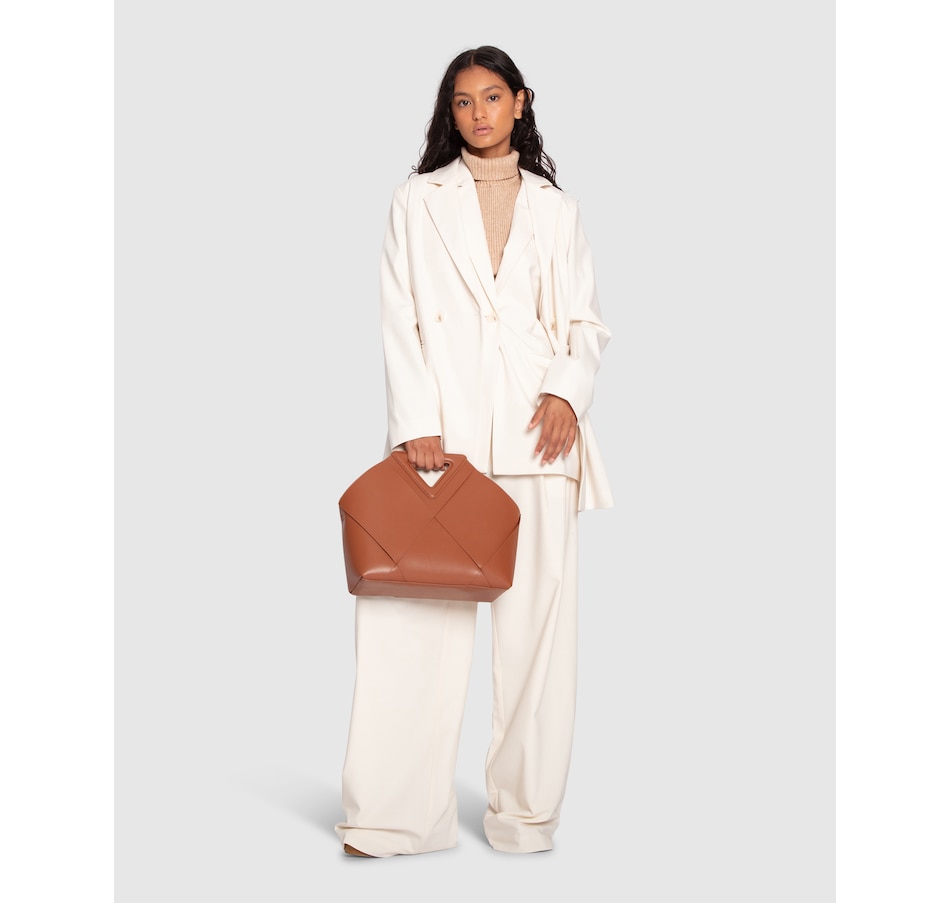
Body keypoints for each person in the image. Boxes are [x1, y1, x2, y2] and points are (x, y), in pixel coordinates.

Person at [335, 45, 612, 858]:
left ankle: (525, 818)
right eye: (463, 101)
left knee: (538, 644)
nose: (479, 113)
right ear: (448, 112)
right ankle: (394, 817)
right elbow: (398, 314)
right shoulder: (416, 200)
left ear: (521, 102)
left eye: (493, 97)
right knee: (412, 624)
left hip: (538, 439)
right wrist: (416, 418)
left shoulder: (558, 209)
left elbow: (585, 322)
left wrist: (566, 392)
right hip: (443, 444)